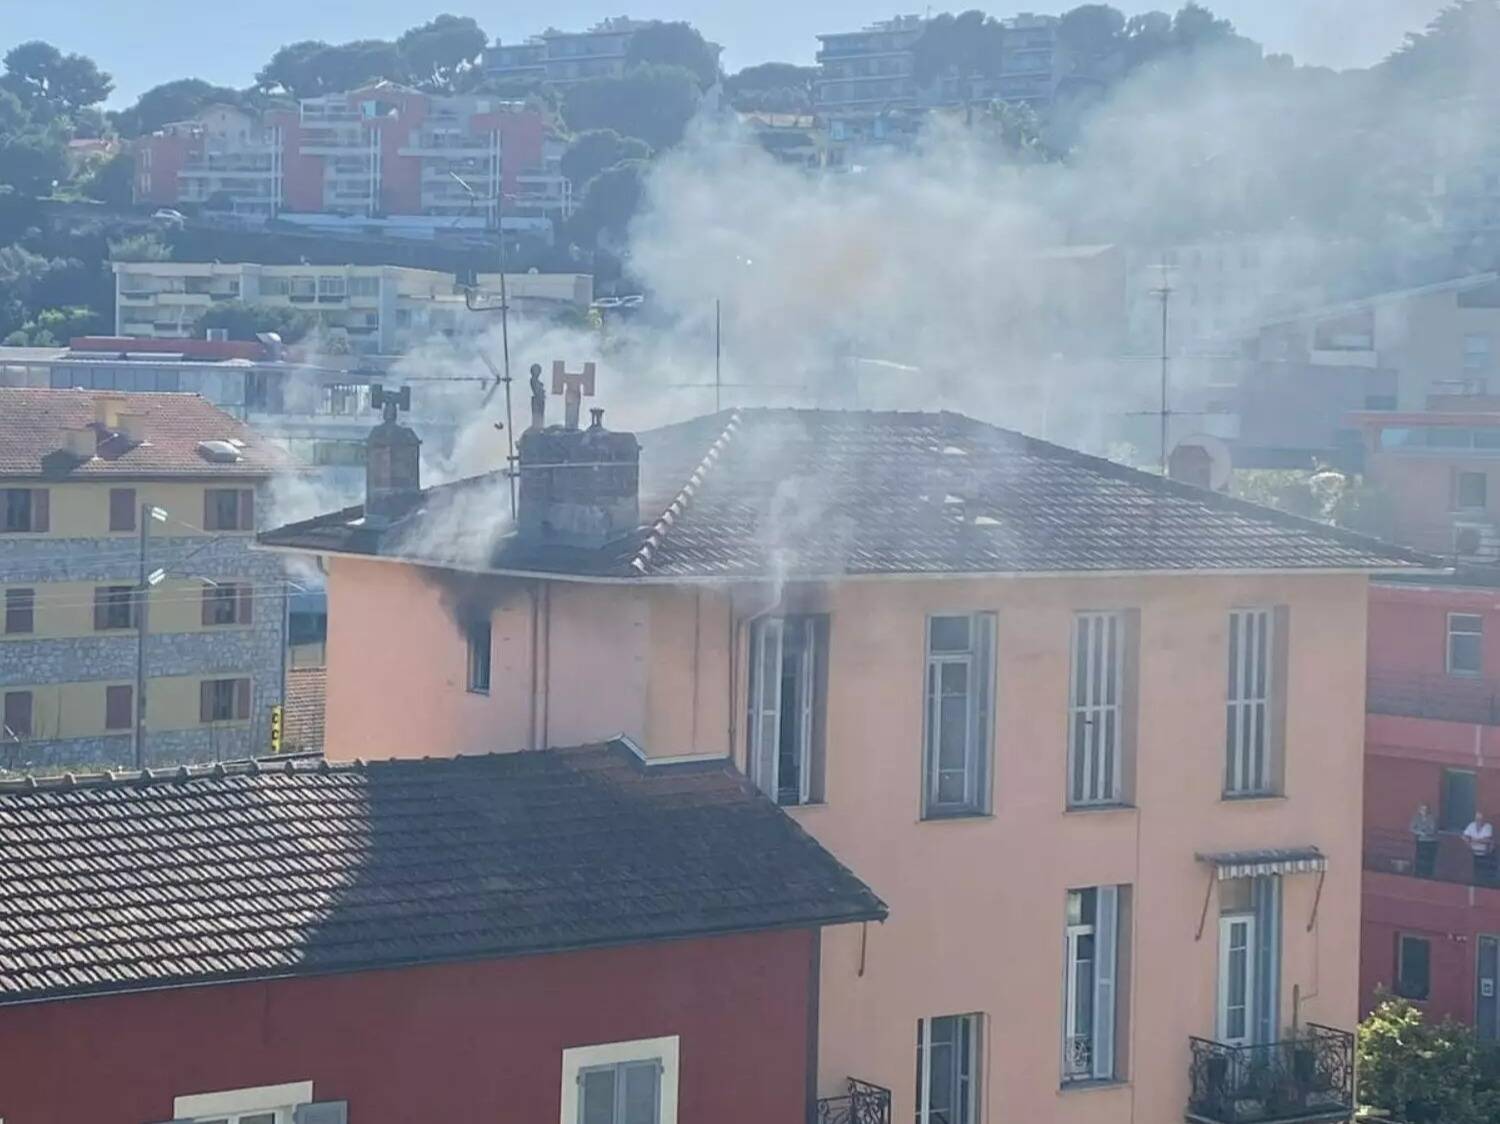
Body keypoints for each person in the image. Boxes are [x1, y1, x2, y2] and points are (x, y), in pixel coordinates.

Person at [1465, 811, 1496, 885]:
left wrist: (1474, 840)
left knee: (1483, 872)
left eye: (1480, 819)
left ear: (1483, 820)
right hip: (1473, 853)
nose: (1479, 821)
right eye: (1477, 819)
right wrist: (1469, 843)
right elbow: (1465, 836)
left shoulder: (1488, 826)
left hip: (1485, 854)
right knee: (1475, 872)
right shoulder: (1471, 825)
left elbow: (1487, 839)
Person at [1411, 803, 1438, 877]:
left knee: (1429, 859)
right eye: (1422, 809)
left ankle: (1428, 875)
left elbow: (1432, 830)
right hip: (1421, 840)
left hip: (1431, 841)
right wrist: (1419, 832)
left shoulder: (1431, 818)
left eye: (1425, 809)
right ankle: (1418, 874)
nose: (1424, 811)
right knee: (1419, 858)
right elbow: (1412, 828)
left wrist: (1424, 832)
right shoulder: (1416, 818)